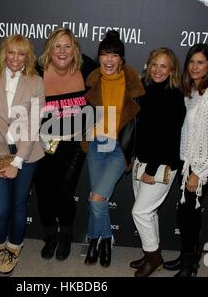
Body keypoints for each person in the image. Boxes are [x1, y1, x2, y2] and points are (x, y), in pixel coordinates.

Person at [0, 34, 45, 276]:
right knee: (0, 209)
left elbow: (34, 124)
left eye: (21, 53)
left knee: (17, 206)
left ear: (28, 57)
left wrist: (18, 161)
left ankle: (13, 248)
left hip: (27, 153)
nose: (16, 58)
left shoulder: (36, 82)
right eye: (11, 52)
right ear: (3, 53)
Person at [163, 43, 208, 277]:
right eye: (191, 61)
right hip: (189, 164)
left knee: (189, 217)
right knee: (186, 215)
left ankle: (189, 266)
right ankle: (186, 257)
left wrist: (197, 173)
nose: (194, 66)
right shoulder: (193, 92)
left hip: (200, 168)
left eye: (200, 62)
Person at [34, 28, 97, 261]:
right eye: (57, 46)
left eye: (67, 46)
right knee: (43, 191)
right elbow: (6, 82)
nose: (62, 51)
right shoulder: (36, 70)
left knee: (65, 190)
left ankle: (66, 236)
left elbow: (114, 74)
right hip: (41, 144)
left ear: (75, 49)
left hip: (74, 144)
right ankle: (50, 235)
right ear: (50, 49)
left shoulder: (87, 67)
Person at [83, 30, 145, 267]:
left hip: (120, 147)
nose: (109, 60)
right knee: (97, 198)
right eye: (104, 54)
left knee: (97, 198)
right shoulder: (91, 81)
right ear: (98, 57)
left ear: (122, 59)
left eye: (114, 55)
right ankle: (103, 241)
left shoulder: (133, 84)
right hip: (97, 145)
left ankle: (97, 240)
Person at [129, 48, 186, 277]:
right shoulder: (145, 89)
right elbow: (141, 131)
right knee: (149, 213)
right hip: (141, 161)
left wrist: (150, 170)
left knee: (140, 212)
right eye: (154, 64)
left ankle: (154, 257)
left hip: (160, 165)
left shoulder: (174, 96)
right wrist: (133, 159)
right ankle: (150, 252)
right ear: (148, 65)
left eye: (163, 66)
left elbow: (168, 138)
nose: (158, 70)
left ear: (172, 70)